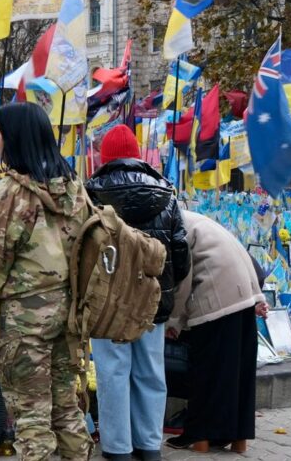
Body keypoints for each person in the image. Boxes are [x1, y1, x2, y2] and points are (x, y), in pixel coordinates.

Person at [0, 102, 93, 461]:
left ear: (13, 139)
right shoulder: (75, 190)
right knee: (66, 409)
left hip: (27, 324)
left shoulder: (11, 192)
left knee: (31, 416)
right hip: (69, 318)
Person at [84, 125, 190, 461]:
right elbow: (181, 252)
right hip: (152, 300)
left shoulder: (90, 194)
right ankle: (149, 446)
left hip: (107, 305)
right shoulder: (167, 195)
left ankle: (117, 449)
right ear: (136, 155)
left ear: (106, 158)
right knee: (151, 372)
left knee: (113, 374)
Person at [166, 210, 268, 453]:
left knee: (207, 372)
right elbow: (249, 261)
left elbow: (183, 279)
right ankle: (238, 439)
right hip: (244, 294)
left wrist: (173, 322)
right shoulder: (199, 220)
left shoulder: (174, 226)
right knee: (239, 375)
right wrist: (257, 298)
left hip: (215, 298)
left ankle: (199, 437)